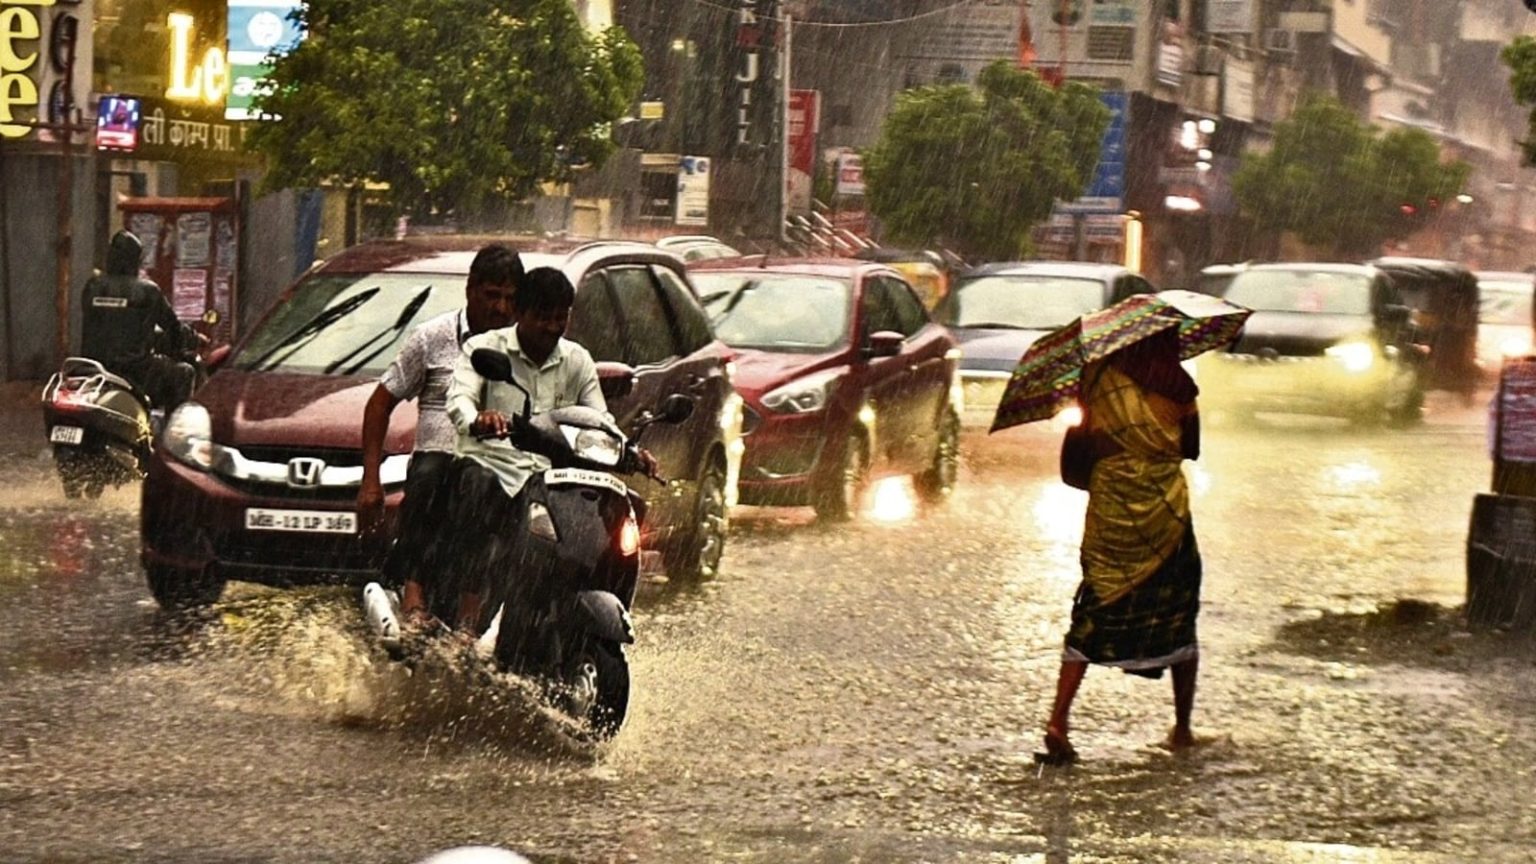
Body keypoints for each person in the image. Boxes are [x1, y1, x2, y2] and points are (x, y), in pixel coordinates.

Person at [1041, 327, 1204, 764]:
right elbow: (1190, 449)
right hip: (1164, 512)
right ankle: (1183, 728)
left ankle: (1059, 719)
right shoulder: (1179, 385)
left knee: (1094, 606)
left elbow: (1085, 440)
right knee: (1178, 611)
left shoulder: (1097, 378)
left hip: (1112, 511)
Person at [439, 267, 619, 634]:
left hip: (553, 482)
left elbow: (600, 418)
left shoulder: (578, 360)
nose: (553, 327)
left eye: (561, 317)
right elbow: (459, 399)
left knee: (614, 512)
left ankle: (586, 609)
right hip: (495, 472)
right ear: (519, 313)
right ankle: (468, 616)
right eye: (543, 317)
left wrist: (628, 448)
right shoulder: (484, 349)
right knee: (477, 488)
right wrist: (479, 419)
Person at [357, 243, 522, 626]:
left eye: (510, 299)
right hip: (436, 474)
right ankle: (415, 597)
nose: (500, 308)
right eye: (492, 295)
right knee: (430, 471)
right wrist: (370, 482)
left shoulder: (526, 350)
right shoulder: (431, 338)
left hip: (498, 477)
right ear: (471, 290)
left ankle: (477, 618)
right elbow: (379, 404)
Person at [78, 229, 196, 411]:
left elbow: (110, 323)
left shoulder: (93, 286)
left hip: (93, 368)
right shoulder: (148, 291)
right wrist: (187, 341)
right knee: (184, 373)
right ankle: (170, 433)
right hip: (135, 371)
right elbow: (173, 327)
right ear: (134, 260)